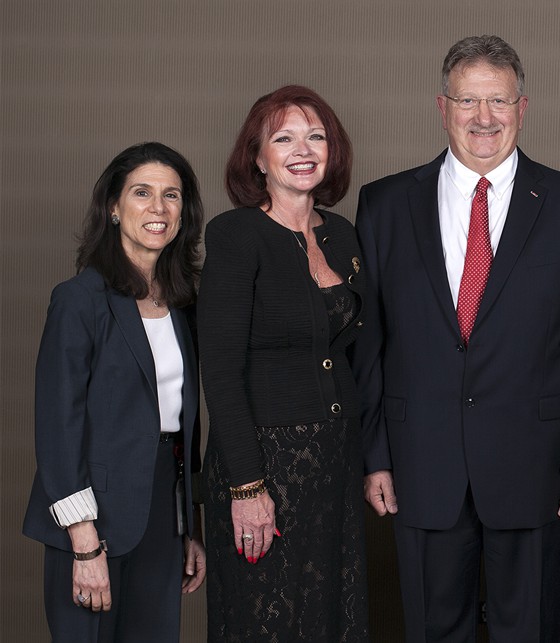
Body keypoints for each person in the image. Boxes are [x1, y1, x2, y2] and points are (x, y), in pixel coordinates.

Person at [352, 35, 560, 642]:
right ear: (441, 106)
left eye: (498, 101)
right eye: (468, 102)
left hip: (540, 468)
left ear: (521, 107)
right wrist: (376, 455)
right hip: (421, 464)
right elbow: (371, 346)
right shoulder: (385, 204)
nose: (484, 119)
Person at [198, 85, 368, 642]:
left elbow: (354, 347)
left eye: (315, 136)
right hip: (266, 465)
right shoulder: (235, 234)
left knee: (331, 613)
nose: (303, 148)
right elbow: (220, 371)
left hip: (336, 460)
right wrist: (247, 489)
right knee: (265, 619)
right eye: (284, 137)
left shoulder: (342, 235)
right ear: (257, 156)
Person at [23, 142, 207, 642]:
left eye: (172, 196)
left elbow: (182, 425)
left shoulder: (184, 303)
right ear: (113, 206)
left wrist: (191, 527)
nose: (158, 208)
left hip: (161, 516)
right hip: (92, 515)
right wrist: (83, 543)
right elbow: (57, 427)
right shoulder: (78, 300)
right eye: (142, 193)